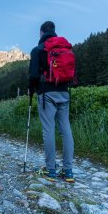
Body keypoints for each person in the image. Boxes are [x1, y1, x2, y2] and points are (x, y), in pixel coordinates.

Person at [28, 21, 75, 183]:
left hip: (46, 94)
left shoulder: (38, 50)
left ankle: (51, 170)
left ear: (41, 33)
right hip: (64, 92)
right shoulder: (65, 48)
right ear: (54, 32)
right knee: (65, 129)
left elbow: (33, 75)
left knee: (48, 130)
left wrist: (31, 90)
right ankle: (68, 171)